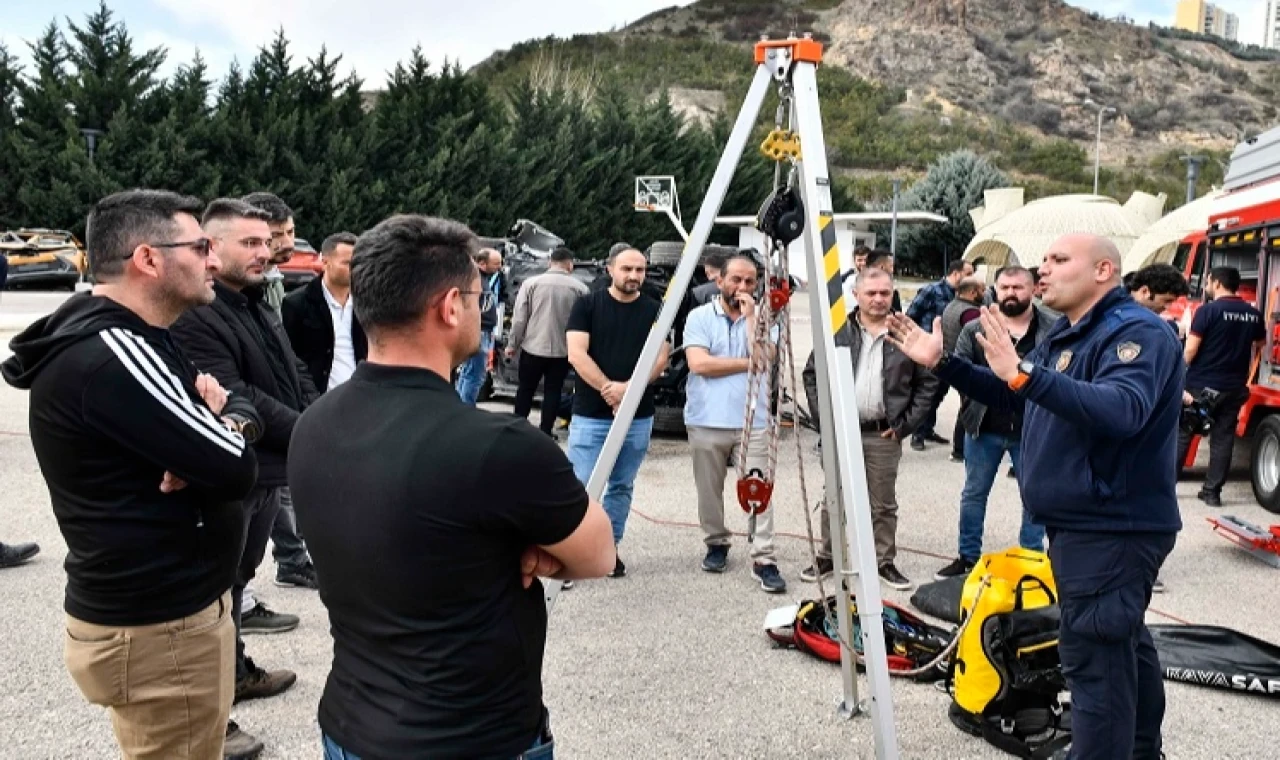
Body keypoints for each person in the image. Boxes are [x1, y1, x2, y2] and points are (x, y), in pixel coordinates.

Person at [289, 213, 615, 760]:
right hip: (471, 737)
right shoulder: (499, 445)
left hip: (350, 725)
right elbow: (598, 553)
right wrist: (529, 548)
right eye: (475, 293)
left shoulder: (313, 425)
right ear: (449, 306)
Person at [887, 233, 1183, 760]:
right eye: (1043, 259)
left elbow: (1122, 409)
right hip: (1081, 528)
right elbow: (1015, 393)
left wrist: (1022, 373)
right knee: (1122, 647)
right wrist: (944, 364)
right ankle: (1142, 750)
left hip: (1112, 529)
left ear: (1104, 271)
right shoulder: (1067, 335)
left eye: (1058, 260)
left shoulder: (1137, 332)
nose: (1042, 269)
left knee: (1094, 664)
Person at [1, 189, 263, 760]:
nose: (213, 260)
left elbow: (231, 415)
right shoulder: (114, 352)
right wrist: (216, 429)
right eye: (200, 246)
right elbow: (237, 467)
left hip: (156, 620)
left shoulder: (140, 339)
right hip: (162, 629)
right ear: (148, 259)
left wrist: (221, 423)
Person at [171, 199, 309, 743]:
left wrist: (319, 415)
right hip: (232, 473)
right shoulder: (200, 312)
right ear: (211, 247)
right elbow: (238, 394)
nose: (266, 250)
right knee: (209, 597)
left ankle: (234, 676)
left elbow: (290, 371)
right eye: (250, 243)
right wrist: (311, 430)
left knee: (235, 587)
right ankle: (207, 721)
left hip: (265, 471)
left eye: (267, 240)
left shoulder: (254, 301)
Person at [800, 268, 937, 589]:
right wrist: (826, 422)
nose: (878, 299)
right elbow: (812, 375)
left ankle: (883, 561)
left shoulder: (907, 333)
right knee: (834, 495)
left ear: (892, 295)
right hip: (841, 433)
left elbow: (927, 383)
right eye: (871, 293)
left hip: (883, 434)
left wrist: (905, 426)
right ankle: (829, 555)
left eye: (884, 293)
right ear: (857, 295)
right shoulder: (837, 331)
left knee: (883, 503)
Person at [934, 267, 1051, 580]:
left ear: (1034, 289)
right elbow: (960, 370)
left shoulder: (1052, 328)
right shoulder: (974, 328)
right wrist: (974, 402)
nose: (1011, 292)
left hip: (1031, 429)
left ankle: (1031, 558)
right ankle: (967, 557)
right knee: (974, 493)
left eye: (1018, 287)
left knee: (1035, 496)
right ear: (995, 289)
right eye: (1005, 286)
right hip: (983, 426)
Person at [683, 254, 786, 593]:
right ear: (720, 281)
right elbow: (699, 364)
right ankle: (716, 541)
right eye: (736, 280)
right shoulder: (699, 317)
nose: (742, 287)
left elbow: (764, 359)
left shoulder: (765, 319)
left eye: (750, 282)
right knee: (708, 489)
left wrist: (752, 318)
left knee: (760, 488)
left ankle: (764, 557)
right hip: (706, 419)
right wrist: (746, 363)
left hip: (753, 422)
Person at [566, 246, 669, 578]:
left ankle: (610, 550)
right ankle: (573, 556)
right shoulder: (587, 305)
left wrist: (628, 390)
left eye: (640, 270)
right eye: (627, 269)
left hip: (638, 417)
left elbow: (660, 359)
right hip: (591, 414)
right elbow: (576, 354)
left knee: (622, 485)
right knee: (582, 485)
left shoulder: (656, 311)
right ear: (611, 270)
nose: (634, 276)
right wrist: (609, 390)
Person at [240, 192, 315, 596]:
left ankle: (290, 560)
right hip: (258, 429)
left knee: (278, 495)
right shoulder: (229, 296)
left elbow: (285, 355)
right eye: (275, 235)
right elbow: (241, 383)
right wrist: (303, 425)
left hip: (281, 419)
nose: (286, 243)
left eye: (289, 232)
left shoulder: (269, 285)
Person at [1177, 266, 1264, 507]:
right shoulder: (1252, 314)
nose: (1206, 284)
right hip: (1234, 387)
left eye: (1208, 281)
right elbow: (1260, 343)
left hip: (1201, 385)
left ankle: (1166, 485)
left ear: (1216, 283)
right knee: (1223, 439)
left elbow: (1191, 349)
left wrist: (1177, 371)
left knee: (1184, 433)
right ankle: (1212, 493)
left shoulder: (1208, 311)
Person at [1126, 263, 1189, 595]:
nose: (1167, 310)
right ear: (1144, 291)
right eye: (1164, 301)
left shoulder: (1152, 327)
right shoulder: (1134, 327)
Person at [507, 246, 588, 435]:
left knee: (526, 389)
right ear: (570, 265)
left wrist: (513, 344)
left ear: (549, 262)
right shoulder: (580, 288)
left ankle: (518, 428)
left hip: (533, 347)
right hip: (563, 351)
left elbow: (520, 319)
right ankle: (545, 430)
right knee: (553, 392)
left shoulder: (531, 284)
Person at [283, 232, 368, 392]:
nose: (355, 269)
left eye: (358, 263)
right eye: (347, 263)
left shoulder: (366, 303)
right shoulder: (297, 304)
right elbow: (290, 359)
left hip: (361, 397)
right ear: (325, 262)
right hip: (317, 399)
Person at [909, 259, 977, 452]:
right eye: (968, 272)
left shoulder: (959, 296)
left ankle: (928, 429)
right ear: (956, 273)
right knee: (927, 393)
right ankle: (918, 434)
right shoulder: (932, 291)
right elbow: (911, 315)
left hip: (948, 353)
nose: (971, 276)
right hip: (928, 352)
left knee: (939, 394)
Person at [939, 277, 986, 461]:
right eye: (982, 289)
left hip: (950, 361)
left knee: (964, 404)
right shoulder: (971, 314)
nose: (986, 293)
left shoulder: (952, 305)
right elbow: (978, 341)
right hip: (963, 364)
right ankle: (959, 449)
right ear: (973, 292)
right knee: (968, 407)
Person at [455, 247, 504, 405]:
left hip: (482, 331)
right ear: (482, 263)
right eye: (496, 263)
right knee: (474, 375)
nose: (500, 267)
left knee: (468, 373)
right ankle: (465, 409)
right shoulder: (474, 281)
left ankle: (460, 406)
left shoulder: (481, 279)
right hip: (479, 331)